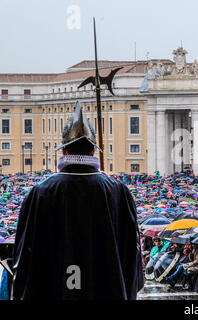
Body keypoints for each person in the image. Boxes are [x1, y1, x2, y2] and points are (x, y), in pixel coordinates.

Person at [12, 102, 144, 300]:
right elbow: (132, 260)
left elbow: (24, 260)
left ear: (64, 151)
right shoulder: (119, 192)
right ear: (93, 151)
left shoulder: (39, 193)